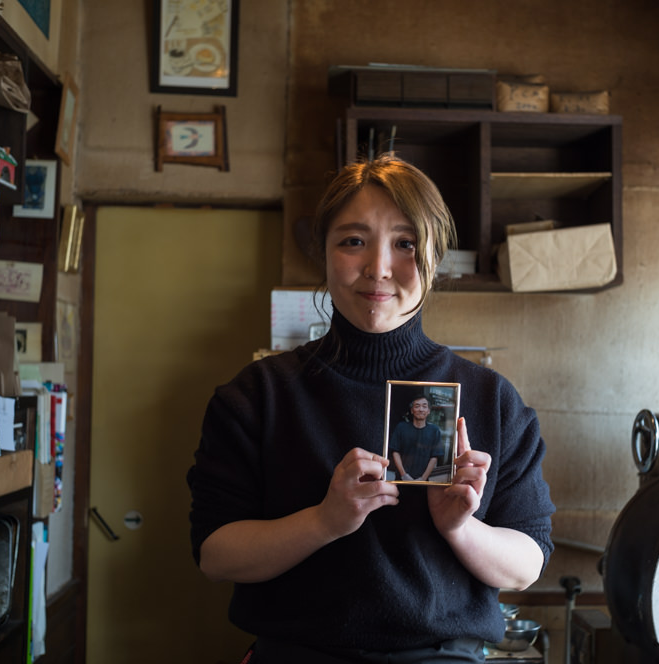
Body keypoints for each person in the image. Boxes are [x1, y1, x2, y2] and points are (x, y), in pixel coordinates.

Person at [187, 154, 555, 664]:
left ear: (435, 256)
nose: (378, 268)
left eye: (405, 244)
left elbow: (527, 564)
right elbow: (215, 555)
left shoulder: (491, 399)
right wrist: (324, 521)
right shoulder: (258, 395)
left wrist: (460, 528)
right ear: (324, 252)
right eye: (353, 241)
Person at [390, 394, 445, 481]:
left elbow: (434, 457)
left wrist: (423, 478)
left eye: (424, 406)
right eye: (417, 406)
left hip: (424, 482)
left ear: (428, 411)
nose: (421, 409)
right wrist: (403, 475)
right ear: (412, 410)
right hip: (401, 480)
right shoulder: (401, 427)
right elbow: (395, 452)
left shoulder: (434, 431)